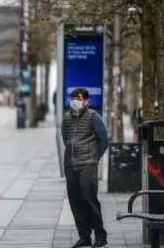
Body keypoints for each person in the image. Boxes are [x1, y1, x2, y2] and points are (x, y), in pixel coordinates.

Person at [62, 88, 109, 248]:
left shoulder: (94, 117)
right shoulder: (67, 118)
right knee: (75, 201)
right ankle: (84, 236)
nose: (75, 101)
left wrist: (94, 158)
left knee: (89, 199)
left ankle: (100, 236)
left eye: (79, 98)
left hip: (88, 163)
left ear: (86, 101)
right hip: (70, 164)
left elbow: (104, 139)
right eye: (73, 98)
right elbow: (65, 138)